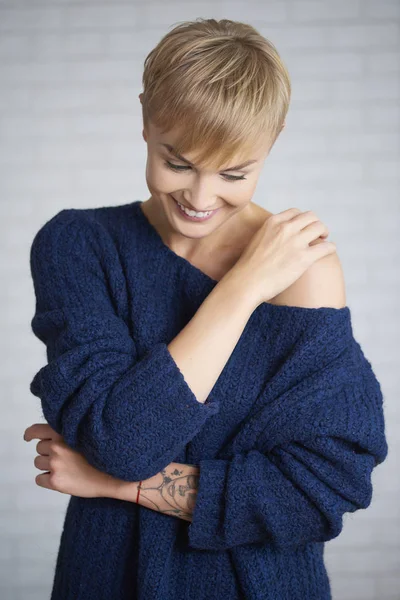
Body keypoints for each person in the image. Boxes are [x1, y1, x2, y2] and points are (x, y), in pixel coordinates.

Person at [24, 18, 388, 600]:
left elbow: (324, 485)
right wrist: (242, 288)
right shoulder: (79, 244)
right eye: (178, 162)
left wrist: (119, 486)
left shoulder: (303, 269)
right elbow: (125, 441)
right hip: (105, 578)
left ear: (274, 138)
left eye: (234, 174)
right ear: (145, 118)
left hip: (255, 585)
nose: (199, 198)